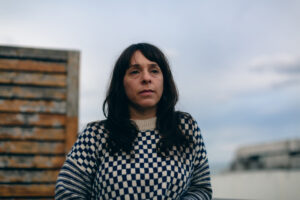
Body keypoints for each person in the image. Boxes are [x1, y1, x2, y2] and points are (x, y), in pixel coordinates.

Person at [55, 43, 212, 199]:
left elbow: (201, 188)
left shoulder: (185, 127)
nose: (146, 78)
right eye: (135, 72)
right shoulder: (95, 135)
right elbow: (67, 193)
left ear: (165, 80)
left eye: (154, 71)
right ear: (121, 83)